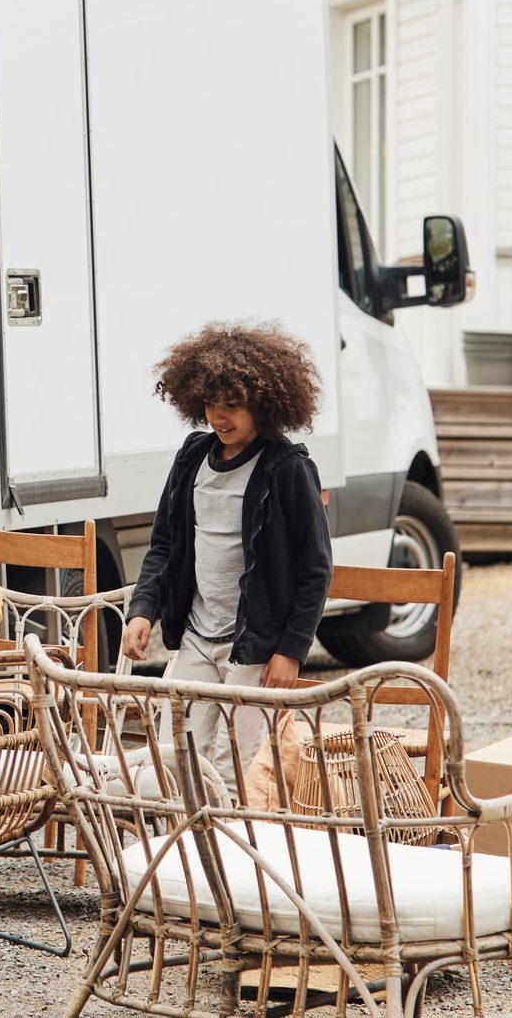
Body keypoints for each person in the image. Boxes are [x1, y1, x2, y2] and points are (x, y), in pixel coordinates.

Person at [120, 321, 331, 792]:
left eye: (233, 406)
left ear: (266, 404)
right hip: (195, 635)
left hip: (252, 647)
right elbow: (164, 545)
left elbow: (315, 568)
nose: (219, 416)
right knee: (177, 760)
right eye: (212, 404)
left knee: (237, 771)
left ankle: (235, 860)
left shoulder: (288, 469)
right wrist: (143, 610)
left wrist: (290, 651)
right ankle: (186, 861)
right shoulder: (192, 457)